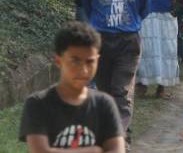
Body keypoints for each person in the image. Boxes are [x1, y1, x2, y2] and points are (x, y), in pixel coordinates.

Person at [80, 0, 151, 134]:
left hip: (128, 41)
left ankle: (119, 141)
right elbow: (87, 4)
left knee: (121, 90)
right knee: (105, 92)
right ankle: (114, 132)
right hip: (101, 40)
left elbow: (144, 8)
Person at [19, 22, 124, 152]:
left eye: (90, 62)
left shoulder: (104, 104)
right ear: (58, 61)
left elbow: (117, 149)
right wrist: (92, 150)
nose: (84, 70)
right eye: (75, 61)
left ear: (98, 60)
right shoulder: (38, 104)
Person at [130, 0, 181, 99]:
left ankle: (162, 86)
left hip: (167, 9)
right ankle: (142, 83)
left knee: (168, 47)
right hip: (146, 11)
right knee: (146, 47)